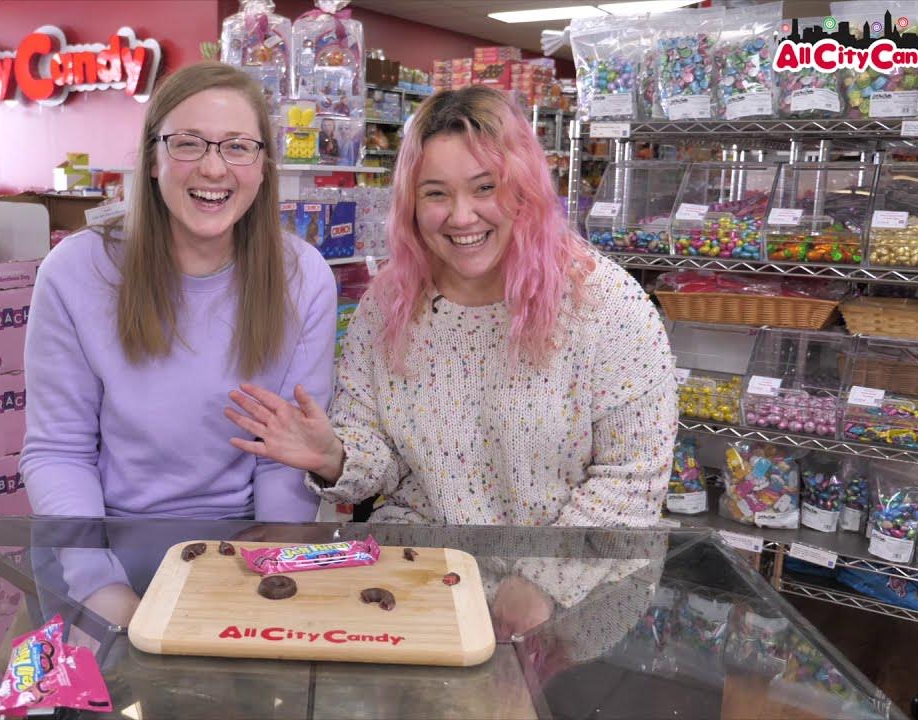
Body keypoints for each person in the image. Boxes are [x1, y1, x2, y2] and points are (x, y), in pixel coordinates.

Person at [224, 85, 677, 629]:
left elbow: (633, 479)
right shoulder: (388, 305)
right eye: (436, 193)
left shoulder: (605, 304)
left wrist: (542, 582)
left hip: (569, 609)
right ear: (411, 205)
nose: (462, 216)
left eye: (486, 187)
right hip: (413, 588)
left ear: (524, 189)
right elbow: (380, 459)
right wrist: (335, 458)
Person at [22, 62, 338, 628]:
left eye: (238, 147)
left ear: (264, 165)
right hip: (100, 543)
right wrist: (101, 588)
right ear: (152, 157)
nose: (214, 168)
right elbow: (58, 452)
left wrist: (273, 570)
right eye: (188, 143)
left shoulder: (304, 277)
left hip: (243, 548)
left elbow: (285, 461)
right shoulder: (74, 271)